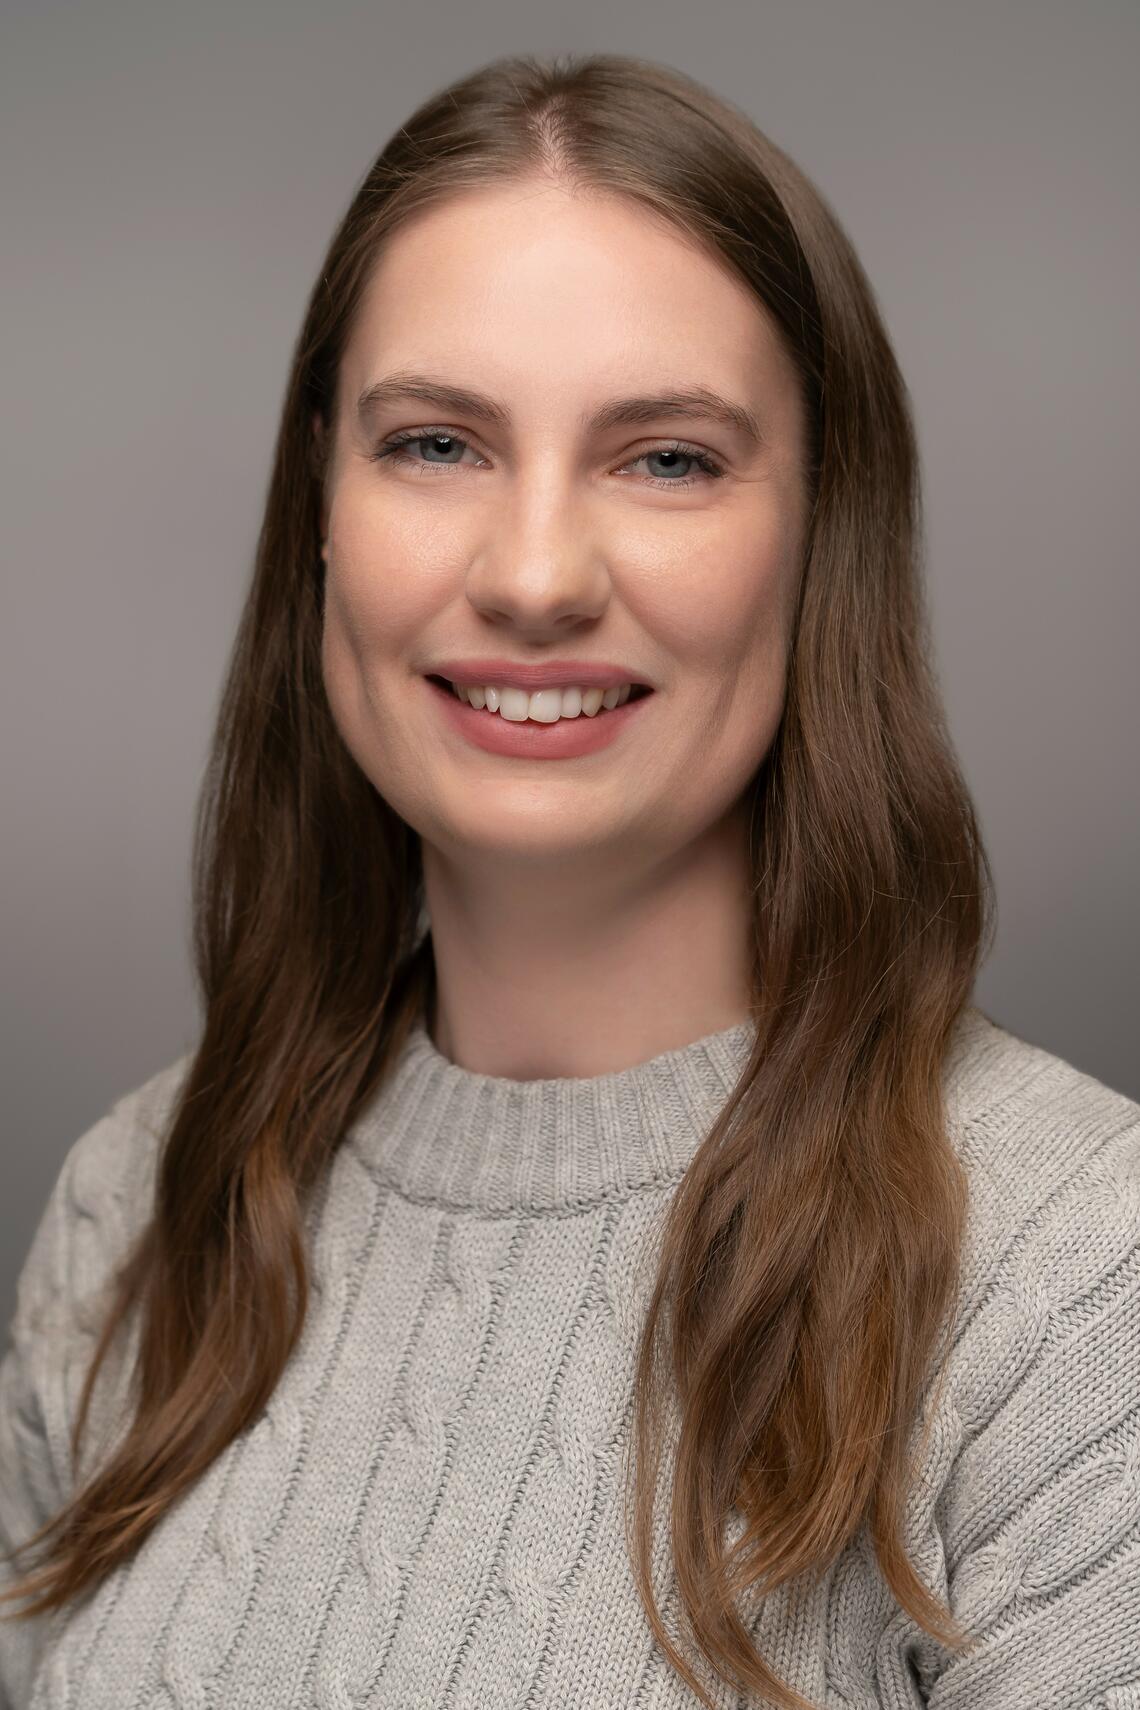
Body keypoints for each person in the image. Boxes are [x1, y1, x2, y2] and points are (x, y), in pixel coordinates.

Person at [1, 49, 1137, 1710]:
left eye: (666, 457)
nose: (534, 574)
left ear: (825, 529)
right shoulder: (133, 1216)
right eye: (437, 443)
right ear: (321, 502)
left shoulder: (1081, 1275)